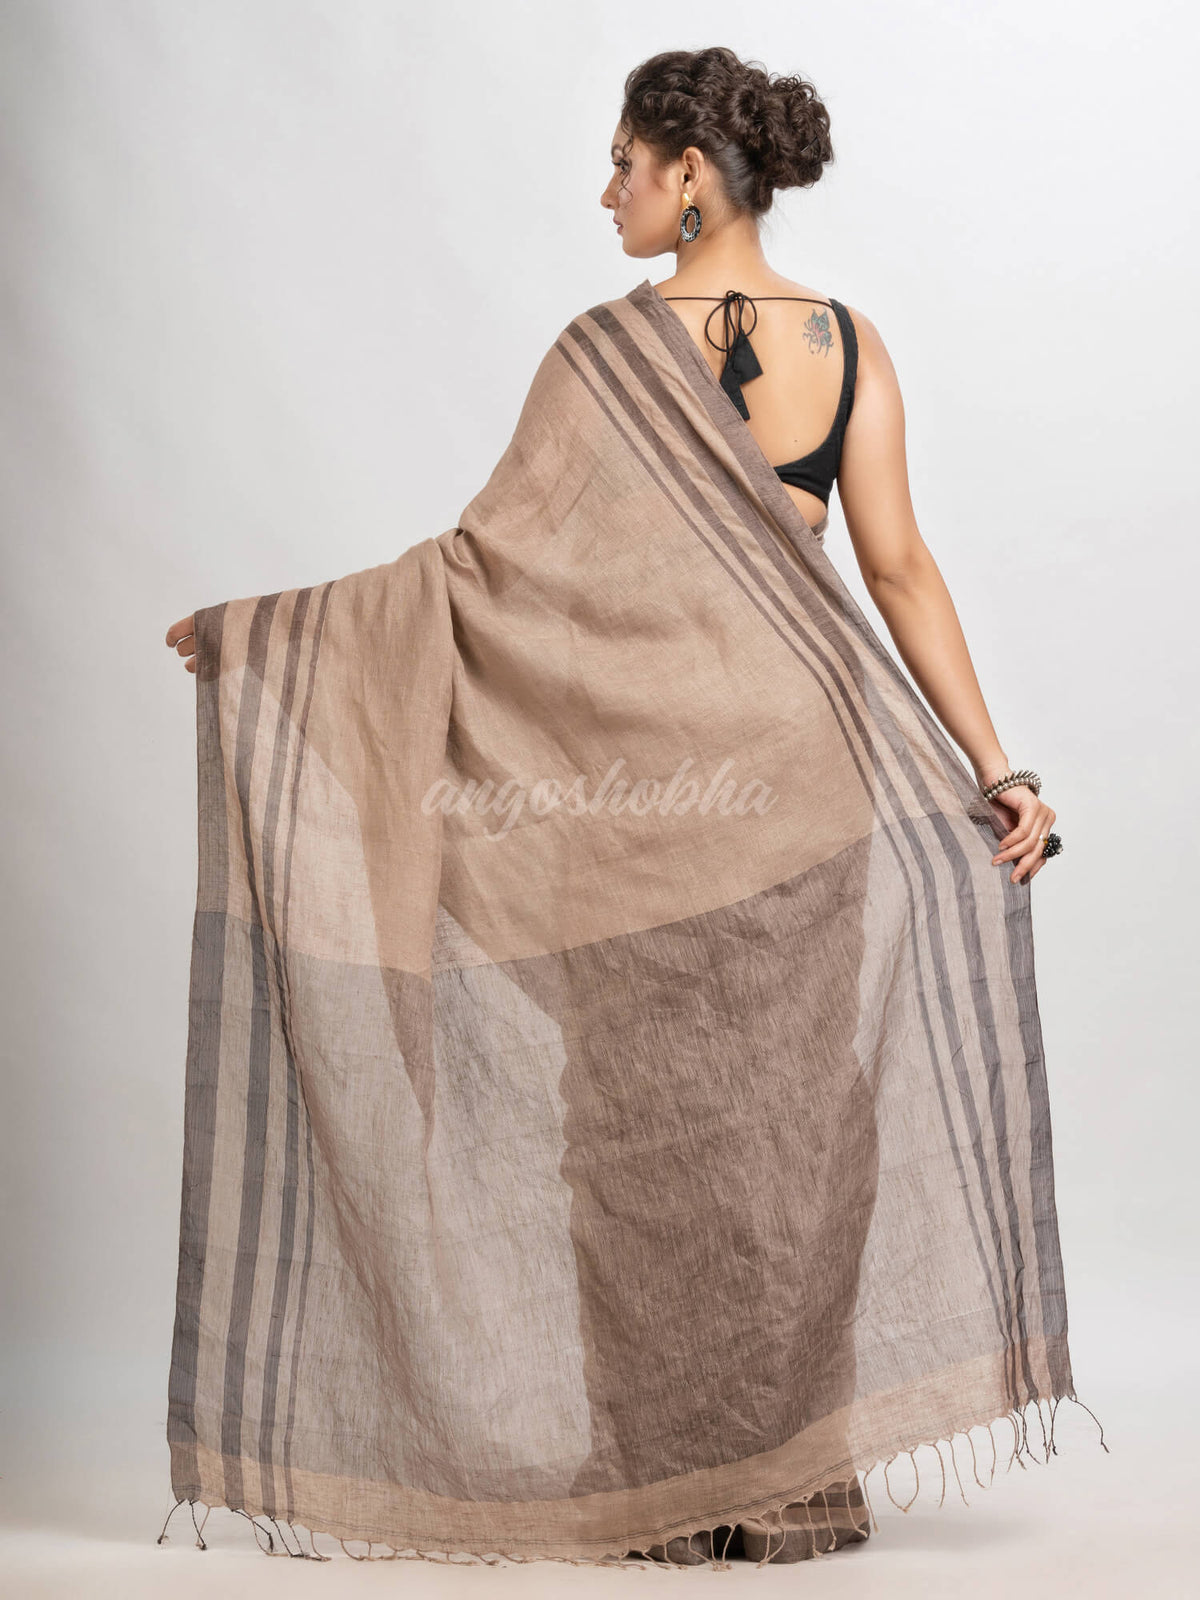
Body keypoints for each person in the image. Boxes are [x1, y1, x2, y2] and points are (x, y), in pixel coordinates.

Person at [163, 47, 1066, 1571]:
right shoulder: (848, 345)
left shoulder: (602, 353)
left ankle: (658, 1483)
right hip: (801, 783)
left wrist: (268, 641)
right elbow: (900, 569)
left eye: (626, 166)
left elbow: (482, 575)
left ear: (690, 172)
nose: (608, 194)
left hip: (630, 808)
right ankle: (788, 1484)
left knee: (631, 1141)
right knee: (790, 1135)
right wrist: (997, 764)